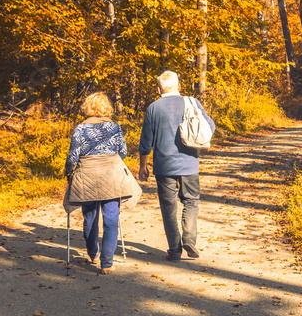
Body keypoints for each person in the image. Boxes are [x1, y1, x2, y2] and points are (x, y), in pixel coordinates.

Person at [138, 71, 215, 261]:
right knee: (191, 201)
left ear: (159, 88)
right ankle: (189, 239)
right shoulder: (191, 102)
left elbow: (146, 141)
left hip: (164, 166)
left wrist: (143, 166)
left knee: (168, 207)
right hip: (189, 164)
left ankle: (174, 250)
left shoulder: (153, 108)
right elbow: (210, 125)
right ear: (178, 85)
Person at [63, 92, 141, 274]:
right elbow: (123, 152)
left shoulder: (80, 129)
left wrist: (68, 170)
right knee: (111, 218)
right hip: (111, 175)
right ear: (107, 108)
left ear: (88, 107)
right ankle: (107, 262)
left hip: (87, 175)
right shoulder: (114, 127)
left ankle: (93, 253)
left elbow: (73, 156)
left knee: (90, 217)